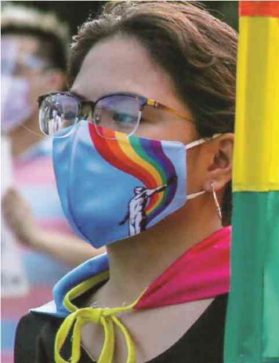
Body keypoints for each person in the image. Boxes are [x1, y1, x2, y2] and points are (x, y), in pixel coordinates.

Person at [14, 2, 236, 362]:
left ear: (218, 160)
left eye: (124, 114)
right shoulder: (48, 331)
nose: (86, 137)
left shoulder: (269, 322)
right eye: (75, 111)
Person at [1, 5, 103, 269]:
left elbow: (120, 263)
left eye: (13, 70)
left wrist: (38, 239)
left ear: (52, 81)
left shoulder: (81, 162)